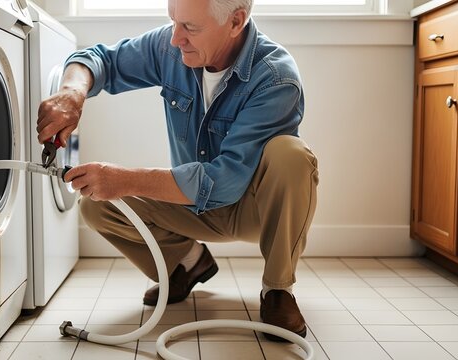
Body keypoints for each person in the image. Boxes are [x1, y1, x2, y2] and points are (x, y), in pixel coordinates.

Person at [36, 0, 318, 342]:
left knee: (291, 154)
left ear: (236, 21)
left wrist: (122, 178)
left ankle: (278, 289)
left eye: (190, 28)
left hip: (255, 208)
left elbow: (224, 182)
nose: (175, 38)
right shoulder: (171, 49)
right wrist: (72, 92)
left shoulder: (275, 77)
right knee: (97, 203)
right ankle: (187, 262)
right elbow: (101, 60)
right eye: (173, 22)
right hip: (194, 206)